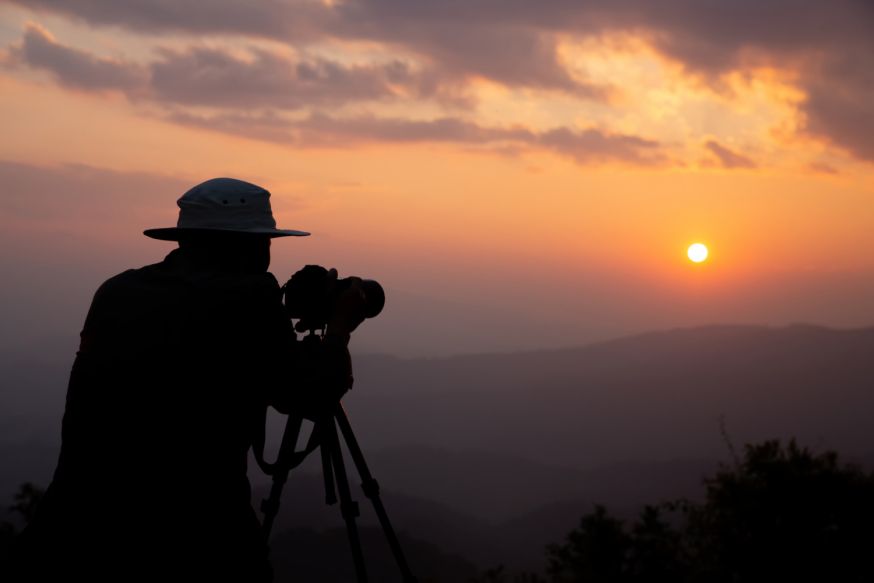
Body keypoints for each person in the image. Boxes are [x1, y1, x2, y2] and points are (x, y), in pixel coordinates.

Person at [12, 178, 361, 582]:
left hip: (70, 532)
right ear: (248, 246)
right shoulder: (248, 300)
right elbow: (314, 395)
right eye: (265, 241)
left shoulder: (116, 291)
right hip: (195, 540)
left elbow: (193, 353)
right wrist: (338, 329)